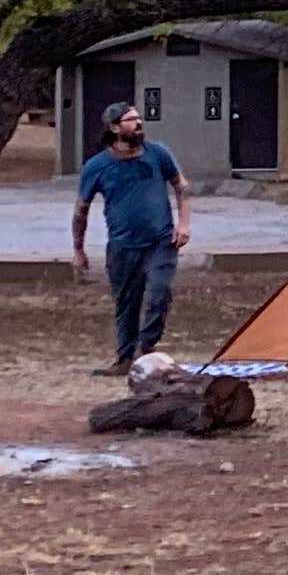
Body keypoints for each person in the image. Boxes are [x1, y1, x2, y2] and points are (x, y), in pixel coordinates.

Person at [72, 102, 192, 374]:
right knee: (126, 303)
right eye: (130, 120)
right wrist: (78, 249)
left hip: (161, 241)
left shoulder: (158, 154)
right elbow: (81, 210)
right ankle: (124, 359)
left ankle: (146, 348)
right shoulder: (97, 166)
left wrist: (183, 224)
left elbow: (182, 188)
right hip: (122, 246)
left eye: (139, 119)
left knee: (159, 293)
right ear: (114, 128)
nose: (138, 123)